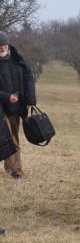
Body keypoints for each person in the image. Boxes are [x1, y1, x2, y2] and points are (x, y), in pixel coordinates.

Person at [0, 30, 36, 180]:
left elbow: (28, 78)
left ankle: (9, 167)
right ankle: (16, 171)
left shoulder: (17, 60)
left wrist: (31, 99)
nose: (1, 48)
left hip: (16, 107)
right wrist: (7, 97)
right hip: (1, 108)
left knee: (13, 136)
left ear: (8, 44)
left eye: (3, 45)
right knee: (9, 139)